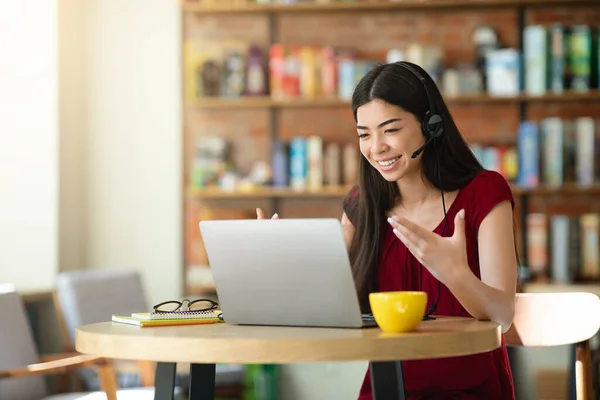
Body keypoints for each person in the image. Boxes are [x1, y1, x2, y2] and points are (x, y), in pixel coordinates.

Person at [257, 60, 518, 399]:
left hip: (470, 390)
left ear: (430, 125)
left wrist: (455, 272)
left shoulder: (485, 192)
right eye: (364, 134)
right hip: (387, 388)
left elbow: (503, 315)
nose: (376, 147)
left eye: (390, 130)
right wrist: (273, 264)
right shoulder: (361, 204)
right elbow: (331, 303)